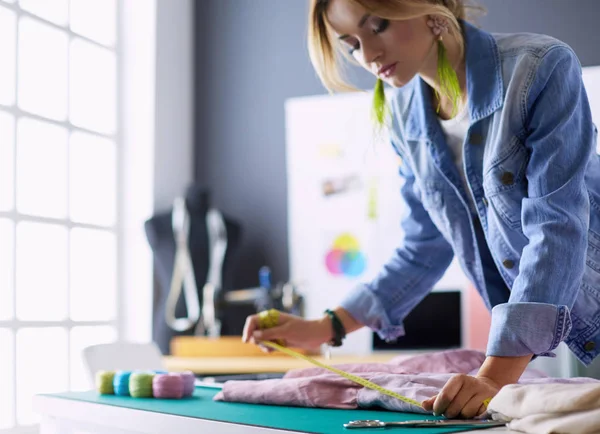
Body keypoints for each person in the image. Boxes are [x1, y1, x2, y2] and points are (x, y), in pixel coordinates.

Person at [243, 0, 600, 419]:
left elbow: (555, 226)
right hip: (542, 345)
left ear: (433, 8)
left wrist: (493, 376)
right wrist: (325, 327)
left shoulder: (539, 68)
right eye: (351, 43)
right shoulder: (404, 110)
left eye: (378, 25)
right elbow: (424, 245)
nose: (368, 55)